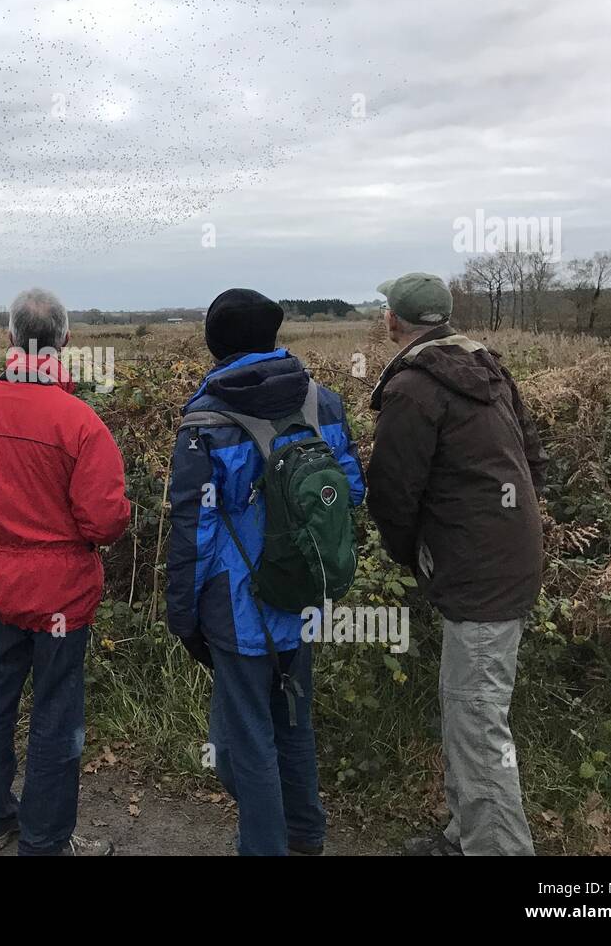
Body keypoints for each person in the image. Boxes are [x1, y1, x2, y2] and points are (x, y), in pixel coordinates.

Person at [166, 288, 365, 856]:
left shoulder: (205, 423)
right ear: (274, 335)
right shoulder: (321, 404)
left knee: (245, 741)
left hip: (235, 604)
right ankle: (305, 835)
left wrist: (183, 616)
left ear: (213, 344)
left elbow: (193, 533)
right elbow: (349, 489)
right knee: (293, 722)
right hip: (303, 589)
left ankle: (265, 845)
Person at [0, 287, 131, 856]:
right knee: (56, 713)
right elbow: (105, 522)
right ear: (66, 341)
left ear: (10, 338)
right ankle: (45, 839)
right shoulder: (81, 423)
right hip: (62, 600)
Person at [367, 272, 547, 857]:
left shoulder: (414, 389)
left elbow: (393, 493)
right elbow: (533, 457)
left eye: (385, 311)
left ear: (393, 321)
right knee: (466, 706)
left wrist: (414, 555)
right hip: (501, 557)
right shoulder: (485, 367)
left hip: (478, 571)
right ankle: (465, 836)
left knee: (476, 721)